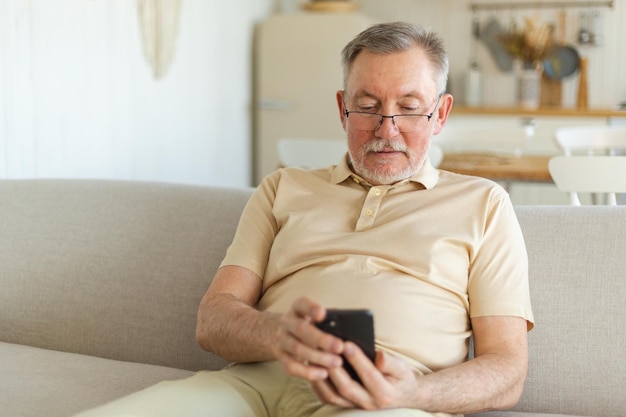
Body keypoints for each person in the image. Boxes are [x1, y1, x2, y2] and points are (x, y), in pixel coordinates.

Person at [76, 21, 534, 417]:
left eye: (410, 107)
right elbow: (212, 320)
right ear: (342, 109)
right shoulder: (282, 187)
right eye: (368, 106)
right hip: (252, 385)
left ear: (441, 114)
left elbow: (508, 370)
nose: (387, 128)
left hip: (378, 401)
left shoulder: (484, 204)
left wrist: (417, 391)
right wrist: (278, 335)